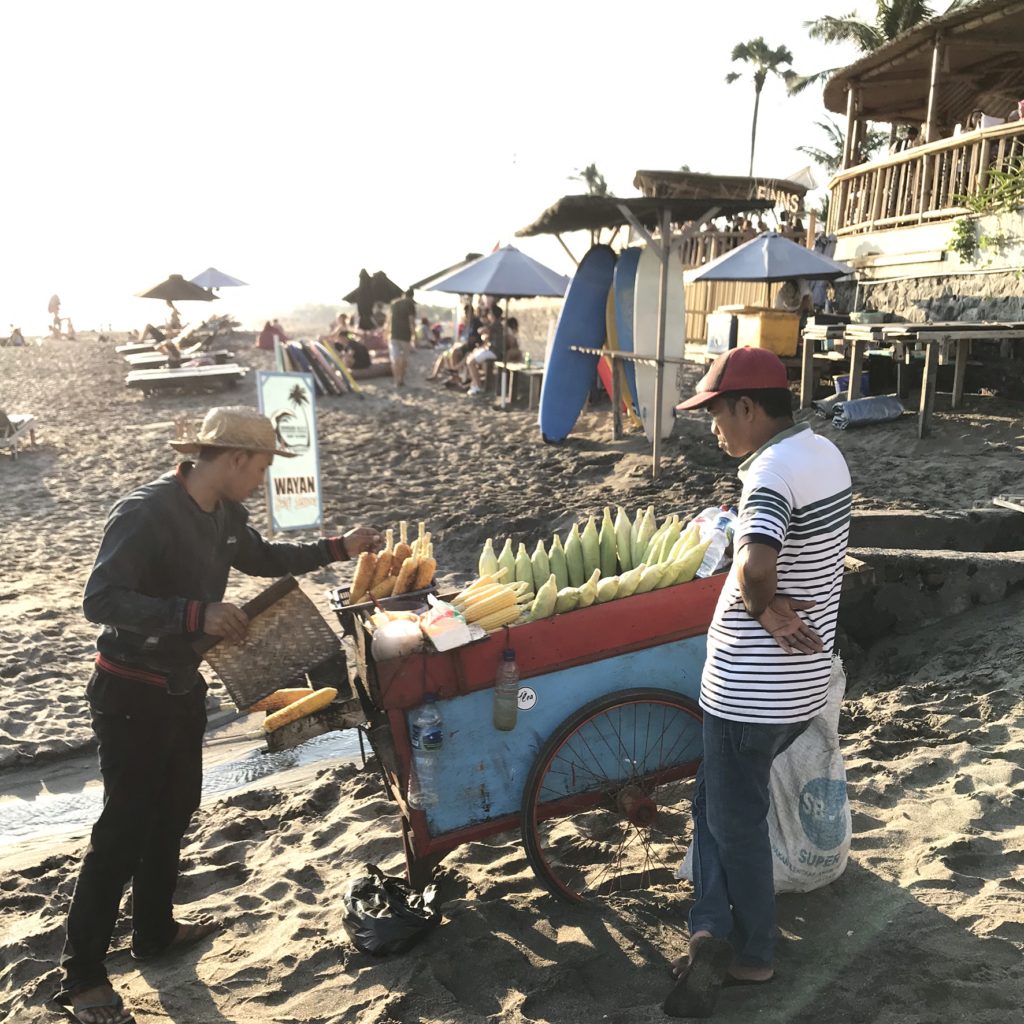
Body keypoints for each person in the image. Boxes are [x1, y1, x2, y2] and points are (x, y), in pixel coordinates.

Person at [54, 406, 382, 1024]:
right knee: (122, 829)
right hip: (129, 693)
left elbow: (262, 558)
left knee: (174, 811)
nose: (261, 479)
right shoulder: (146, 512)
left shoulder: (226, 515)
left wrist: (341, 546)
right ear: (233, 460)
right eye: (260, 467)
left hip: (181, 686)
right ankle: (83, 975)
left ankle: (153, 933)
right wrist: (194, 615)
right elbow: (100, 599)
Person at [665, 348, 851, 1017]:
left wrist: (761, 607)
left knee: (735, 822)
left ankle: (754, 954)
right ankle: (709, 927)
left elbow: (754, 566)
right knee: (714, 802)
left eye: (715, 413)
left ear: (747, 407)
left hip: (750, 692)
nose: (713, 427)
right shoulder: (823, 454)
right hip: (799, 685)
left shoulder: (769, 473)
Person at [466, 305, 506, 396]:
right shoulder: (496, 324)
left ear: (493, 315)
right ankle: (475, 383)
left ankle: (478, 386)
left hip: (494, 352)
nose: (488, 315)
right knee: (470, 359)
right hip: (491, 350)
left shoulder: (496, 324)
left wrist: (484, 325)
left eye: (489, 313)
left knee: (471, 362)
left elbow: (481, 330)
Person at [387, 288, 416, 387]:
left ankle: (396, 380)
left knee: (395, 359)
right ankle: (401, 379)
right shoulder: (410, 304)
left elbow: (389, 320)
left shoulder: (394, 303)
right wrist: (415, 336)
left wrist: (387, 332)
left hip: (393, 334)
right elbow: (411, 321)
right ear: (412, 296)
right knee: (404, 358)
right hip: (405, 335)